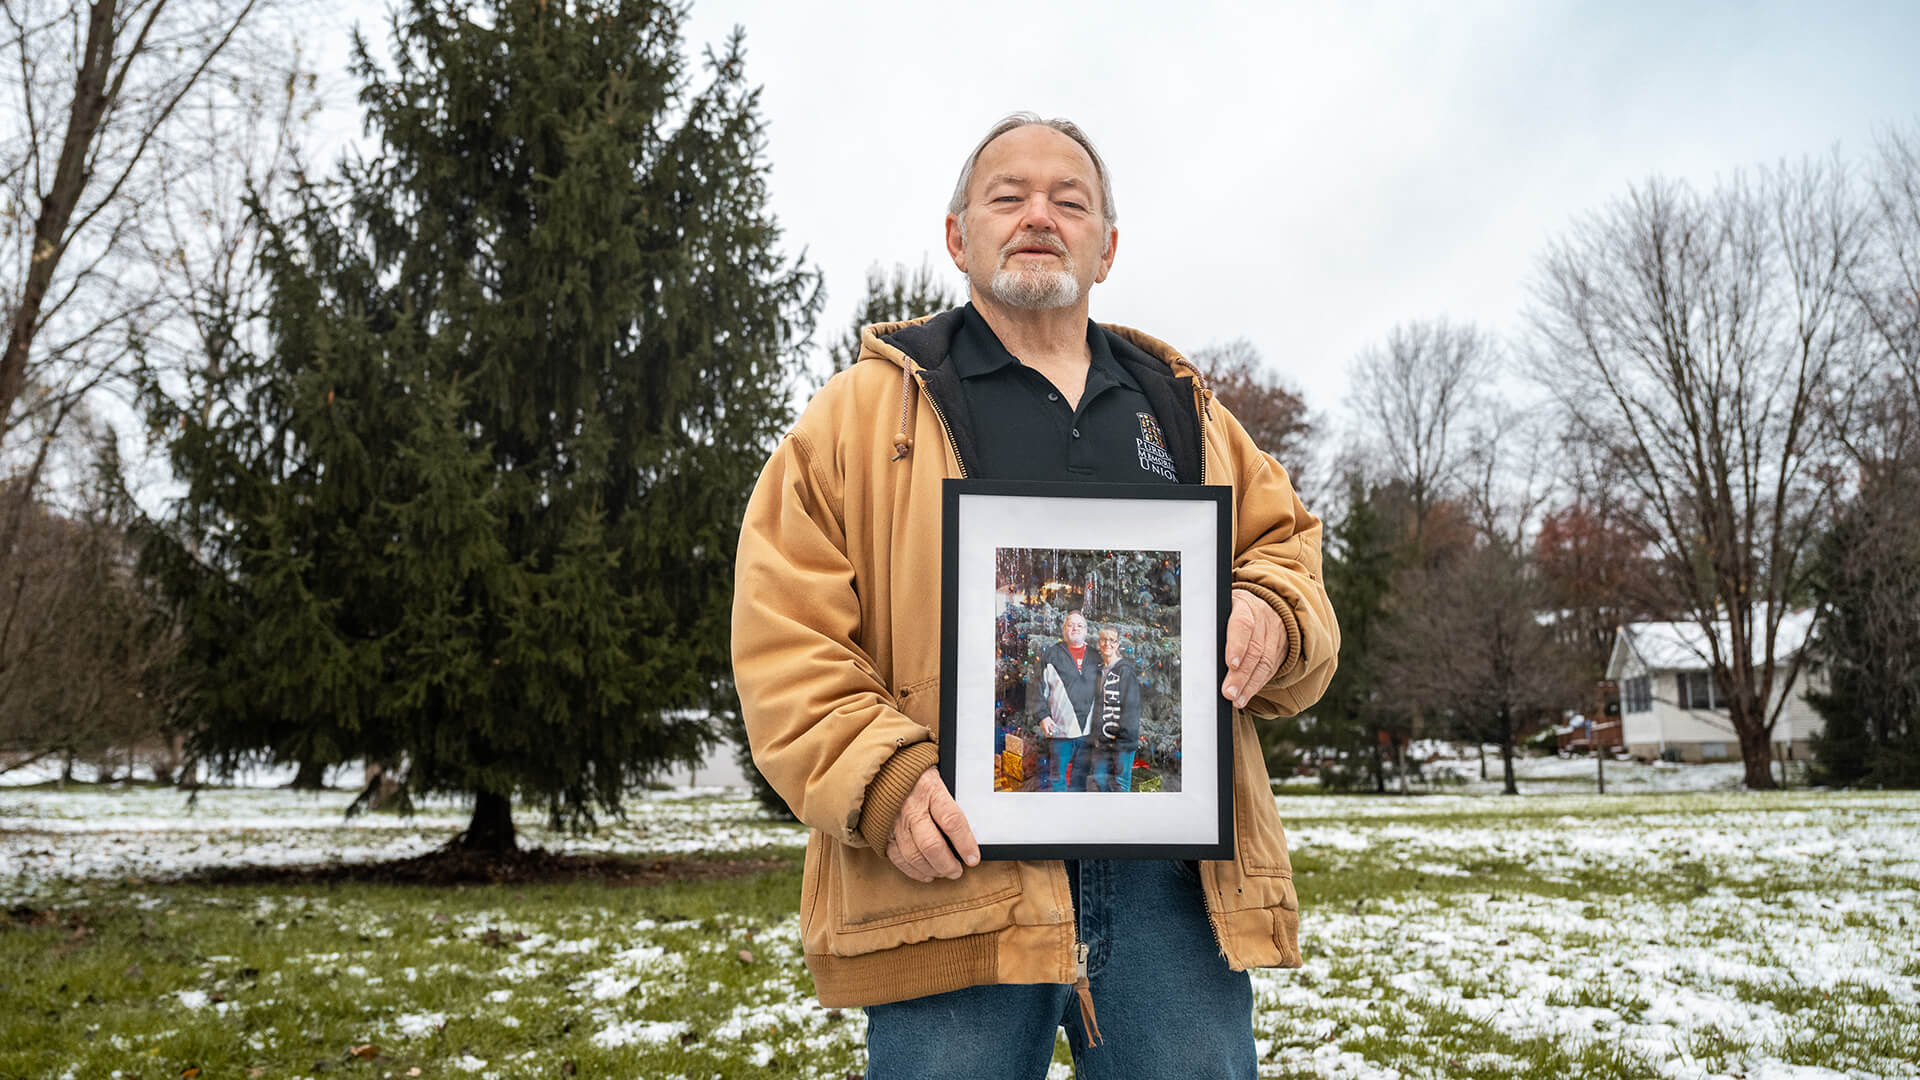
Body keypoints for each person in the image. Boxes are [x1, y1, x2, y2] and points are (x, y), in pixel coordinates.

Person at [732, 112, 1338, 1079]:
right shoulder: (856, 417)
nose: (1038, 216)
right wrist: (882, 781)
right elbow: (784, 630)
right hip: (950, 871)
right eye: (1007, 196)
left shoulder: (1185, 410)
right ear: (957, 235)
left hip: (1170, 884)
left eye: (1071, 200)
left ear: (1107, 246)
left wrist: (1271, 610)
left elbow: (1287, 549)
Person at [1034, 610, 1099, 791]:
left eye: (1080, 625)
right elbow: (1038, 689)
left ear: (1086, 630)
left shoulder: (1096, 656)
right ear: (1064, 629)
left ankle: (1075, 816)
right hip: (1060, 729)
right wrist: (1043, 716)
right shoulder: (1051, 655)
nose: (1075, 628)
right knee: (1057, 780)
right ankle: (1059, 815)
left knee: (1080, 780)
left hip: (1087, 731)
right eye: (1070, 624)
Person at [1088, 626, 1142, 793]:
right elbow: (1096, 705)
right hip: (1102, 741)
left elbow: (1131, 708)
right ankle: (1107, 814)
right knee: (1099, 778)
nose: (1107, 644)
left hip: (1122, 742)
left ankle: (1120, 816)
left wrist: (1123, 741)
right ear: (1099, 643)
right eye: (1104, 639)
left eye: (1112, 640)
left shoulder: (1125, 671)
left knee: (1120, 784)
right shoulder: (1098, 671)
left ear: (1118, 644)